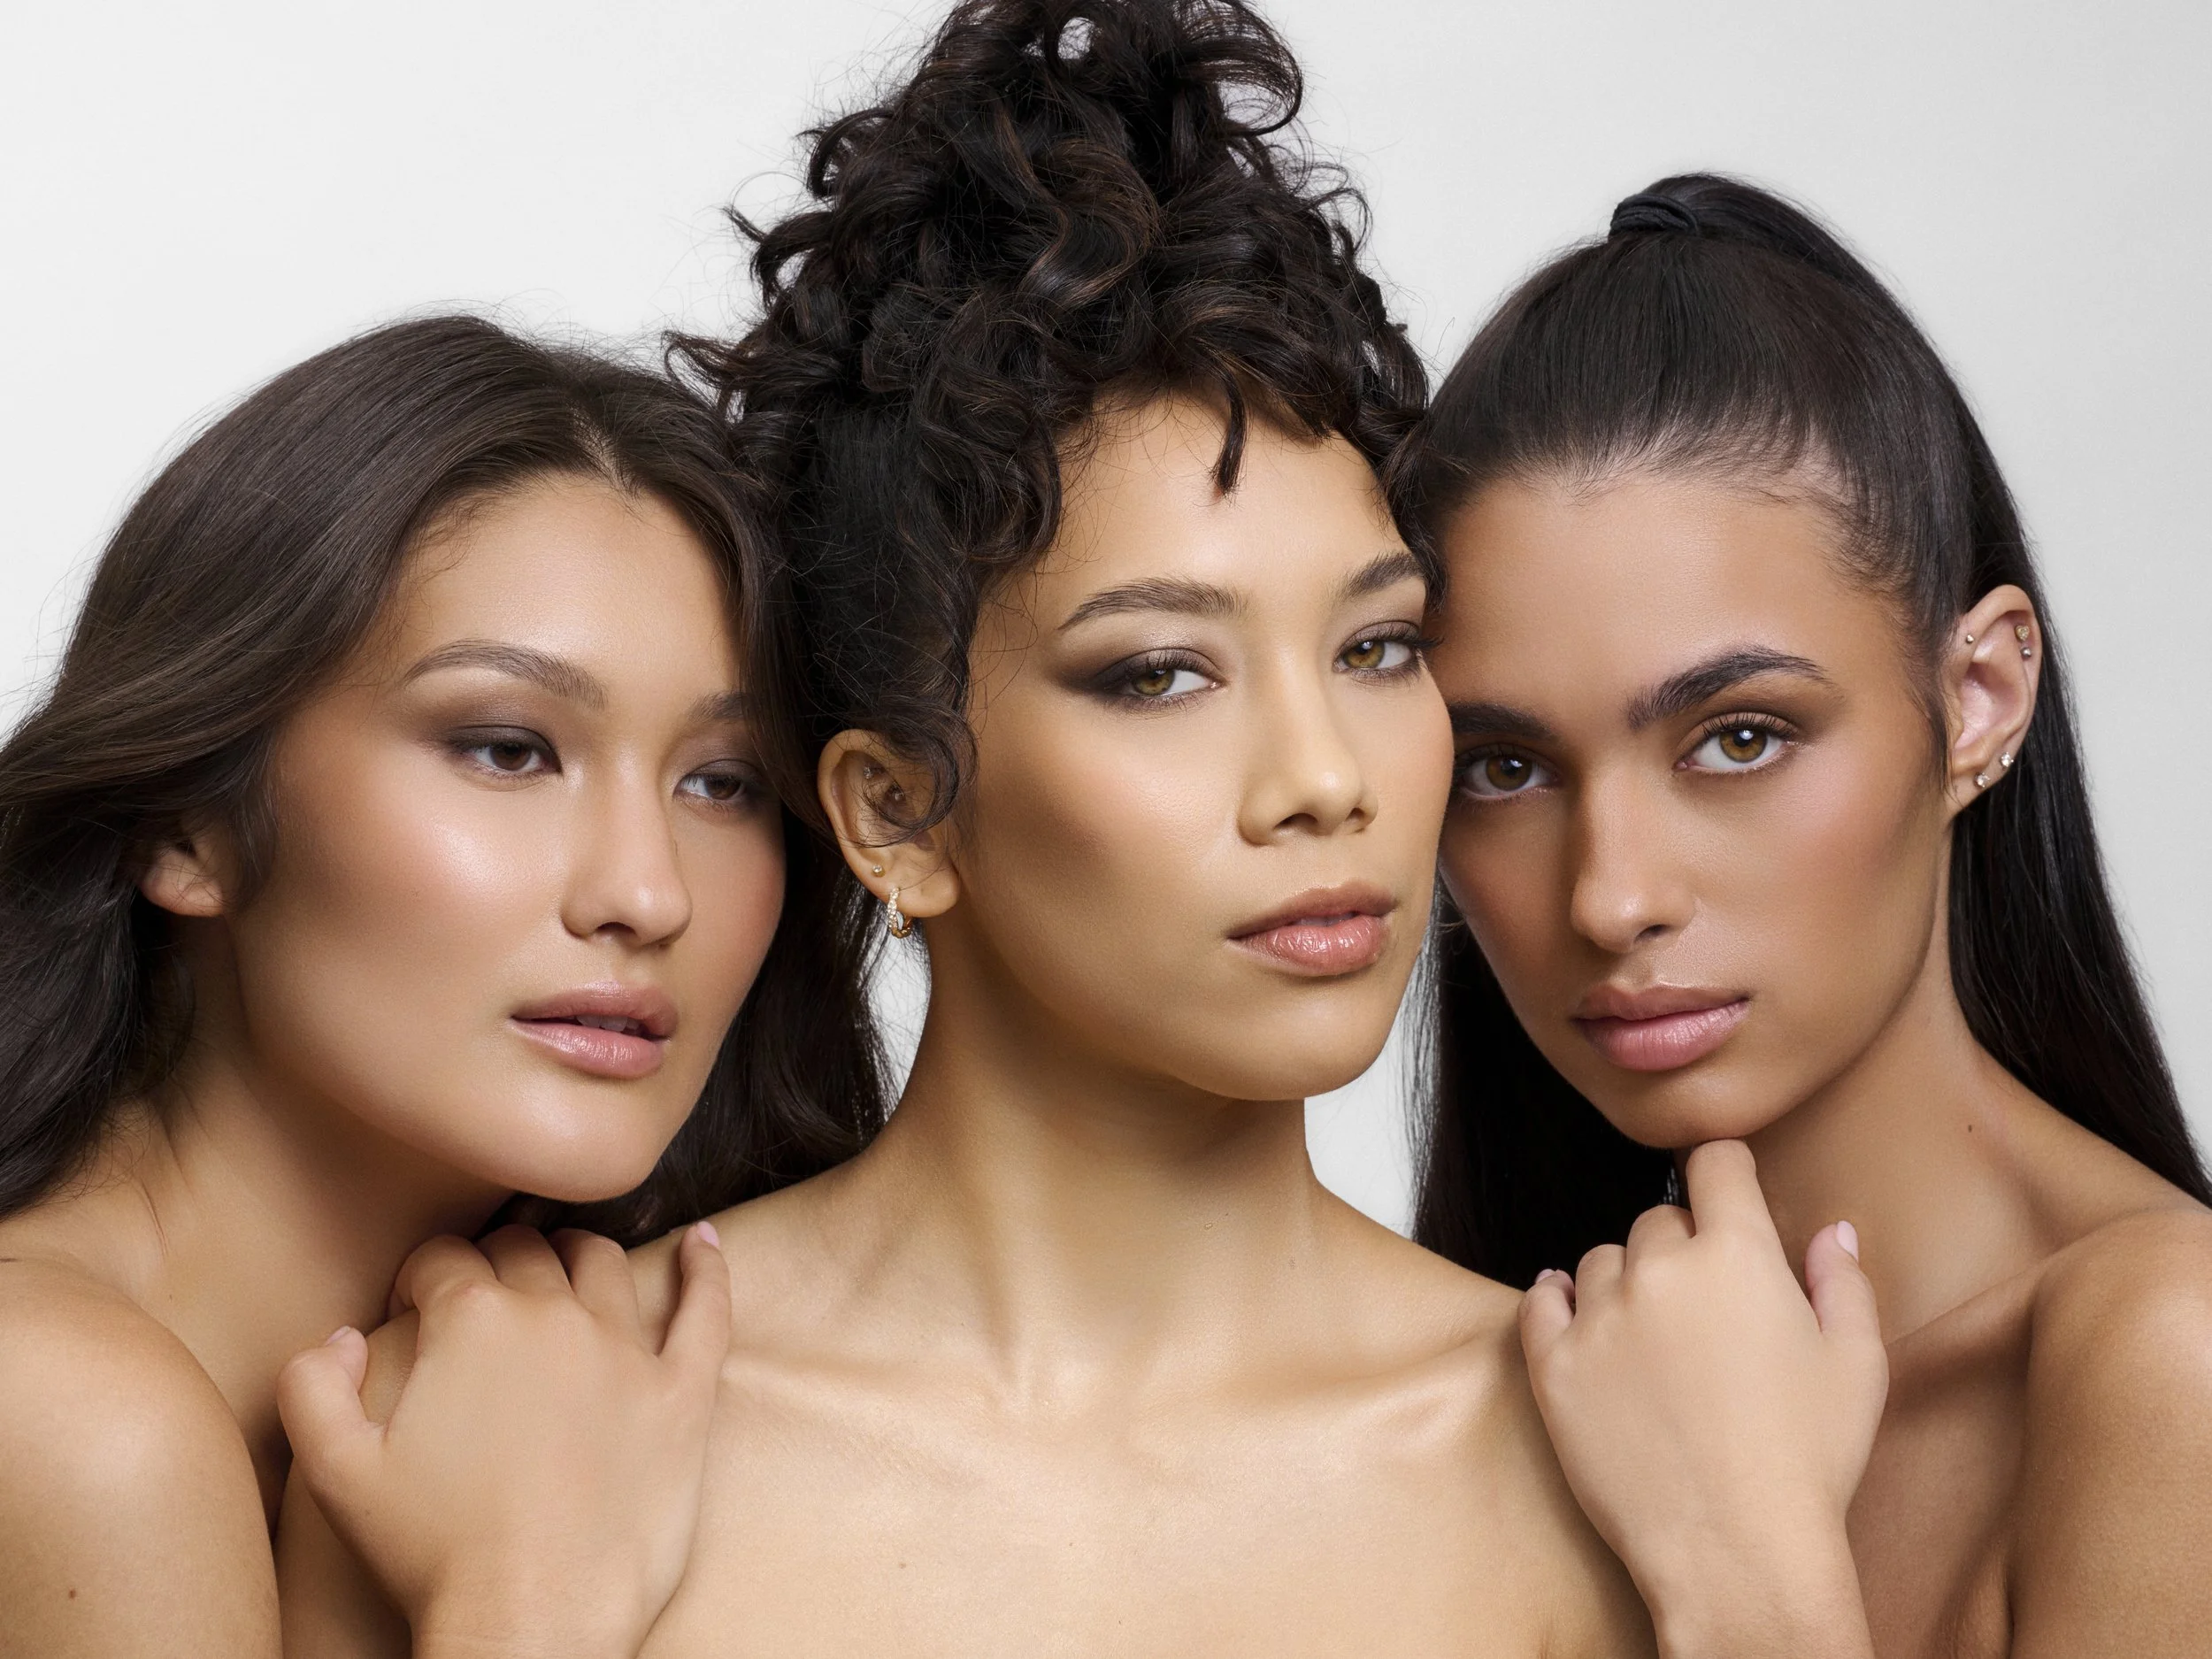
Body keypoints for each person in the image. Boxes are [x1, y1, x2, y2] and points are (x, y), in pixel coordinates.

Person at [279, 3, 1662, 1654]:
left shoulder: (1617, 1457)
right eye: (1159, 672)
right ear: (895, 809)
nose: (1327, 777)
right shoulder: (505, 1434)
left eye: (1376, 648)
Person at [0, 315, 881, 1657]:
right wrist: (519, 1604)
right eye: (509, 750)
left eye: (722, 781)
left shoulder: (560, 1392)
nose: (648, 894)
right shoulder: (75, 1417)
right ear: (185, 825)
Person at [1416, 173, 2212, 1656]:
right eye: (1505, 766)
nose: (1612, 894)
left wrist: (1748, 1572)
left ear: (1979, 700)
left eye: (1739, 736)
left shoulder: (2170, 1365)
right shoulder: (1527, 1376)